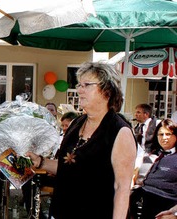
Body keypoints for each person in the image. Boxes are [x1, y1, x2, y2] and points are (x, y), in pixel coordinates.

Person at [26, 61, 137, 219]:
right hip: (62, 211)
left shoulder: (119, 131)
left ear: (107, 91)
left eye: (86, 85)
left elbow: (122, 188)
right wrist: (41, 162)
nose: (79, 90)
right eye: (79, 85)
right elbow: (70, 167)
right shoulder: (76, 123)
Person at [135, 119, 177, 219]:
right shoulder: (152, 156)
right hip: (143, 201)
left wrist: (175, 214)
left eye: (168, 134)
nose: (164, 138)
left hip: (166, 205)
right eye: (161, 134)